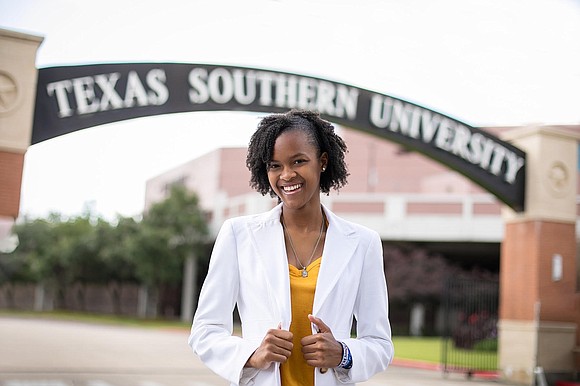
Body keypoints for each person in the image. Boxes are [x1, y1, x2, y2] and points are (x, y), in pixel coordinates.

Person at [188, 109, 394, 386]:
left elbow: (380, 343)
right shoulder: (238, 235)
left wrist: (343, 354)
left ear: (322, 162)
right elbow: (205, 331)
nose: (286, 175)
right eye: (274, 165)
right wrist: (253, 355)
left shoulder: (363, 242)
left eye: (298, 161)